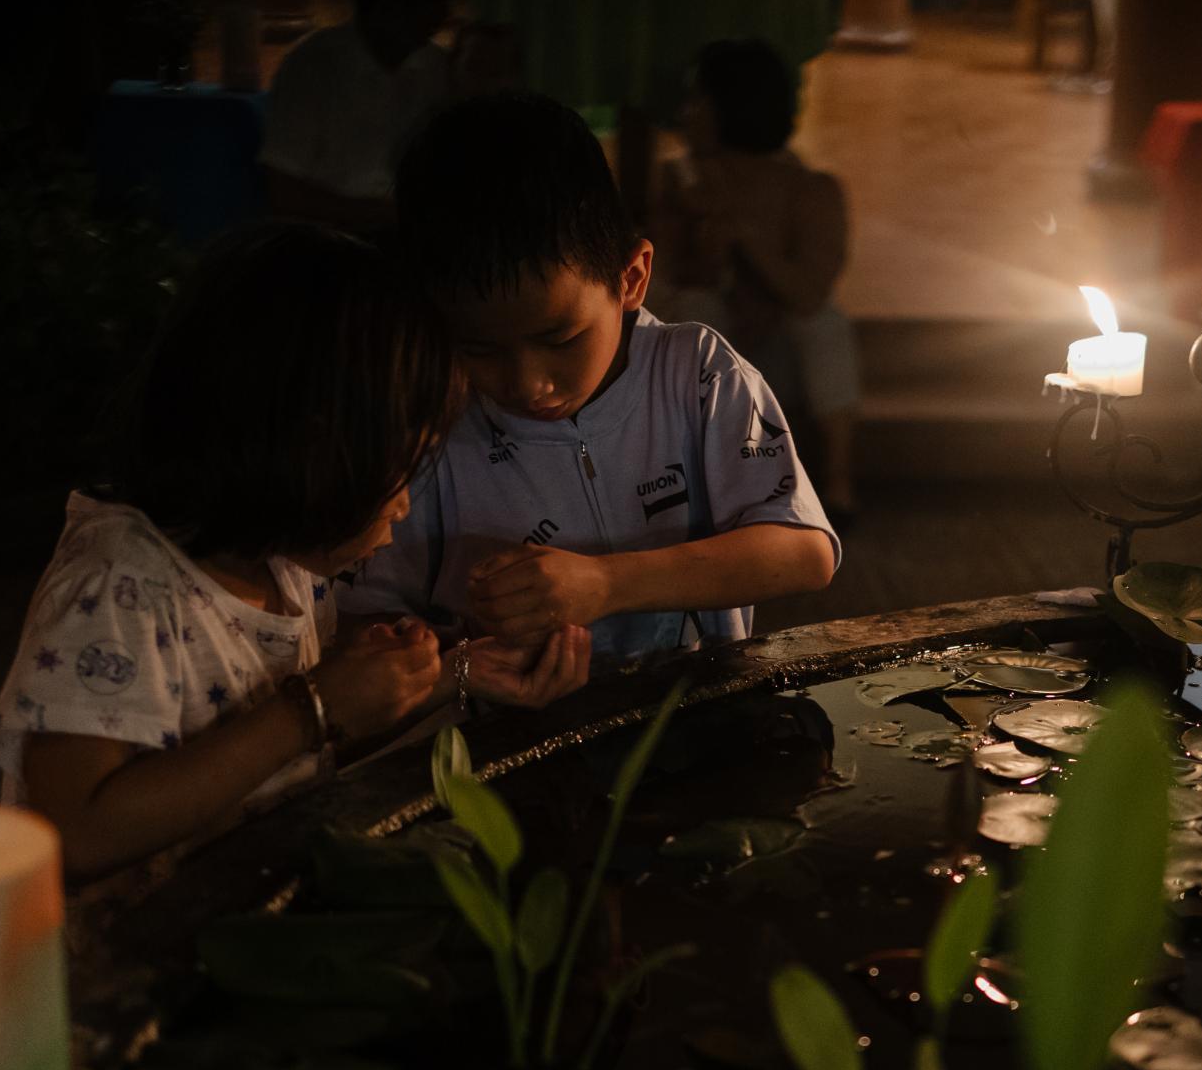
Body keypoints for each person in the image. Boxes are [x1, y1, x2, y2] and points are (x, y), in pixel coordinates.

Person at [0, 223, 589, 882]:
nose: (404, 505)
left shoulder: (284, 568)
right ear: (317, 447)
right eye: (399, 473)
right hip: (125, 970)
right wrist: (313, 709)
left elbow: (284, 751)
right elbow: (75, 831)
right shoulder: (120, 583)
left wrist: (454, 674)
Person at [344, 92, 839, 663]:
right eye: (478, 348)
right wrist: (455, 657)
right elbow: (366, 620)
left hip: (700, 722)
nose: (529, 384)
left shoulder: (696, 374)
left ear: (631, 278)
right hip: (514, 741)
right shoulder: (433, 427)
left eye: (560, 339)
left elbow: (803, 552)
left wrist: (608, 584)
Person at [650, 39, 862, 519]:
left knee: (825, 325)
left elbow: (808, 294)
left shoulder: (813, 190)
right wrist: (710, 242)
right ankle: (713, 482)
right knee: (698, 315)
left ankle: (839, 483)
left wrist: (744, 234)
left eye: (696, 99)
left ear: (728, 106)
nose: (685, 114)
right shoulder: (680, 181)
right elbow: (671, 279)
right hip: (709, 348)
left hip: (782, 343)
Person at [260, 0, 458, 230]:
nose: (447, 13)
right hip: (329, 247)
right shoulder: (312, 69)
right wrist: (389, 217)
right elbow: (283, 194)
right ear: (388, 9)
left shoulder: (438, 69)